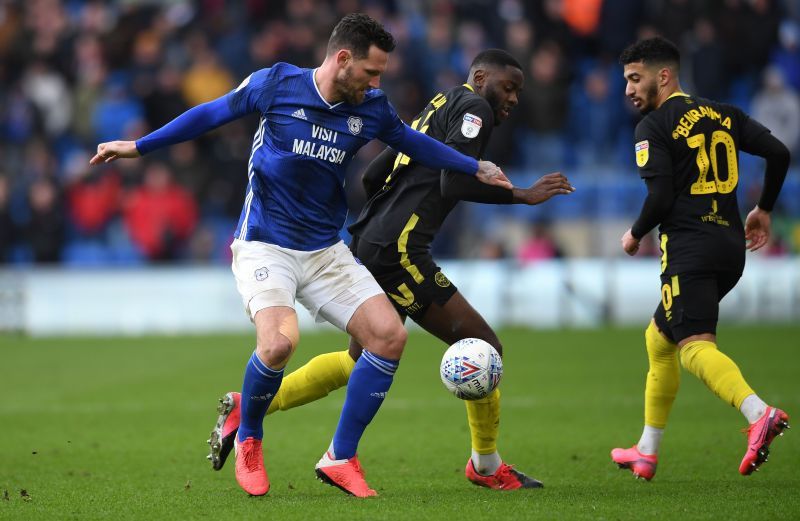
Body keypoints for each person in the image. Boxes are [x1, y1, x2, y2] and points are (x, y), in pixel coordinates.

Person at [90, 13, 513, 498]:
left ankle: (341, 457)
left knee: (388, 337)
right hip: (264, 243)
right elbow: (211, 112)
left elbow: (413, 143)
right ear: (342, 59)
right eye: (371, 72)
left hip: (325, 249)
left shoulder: (371, 108)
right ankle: (249, 436)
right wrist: (139, 147)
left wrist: (472, 165)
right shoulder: (276, 83)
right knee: (277, 345)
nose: (377, 83)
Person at [208, 49, 574, 491]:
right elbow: (454, 182)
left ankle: (246, 407)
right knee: (484, 347)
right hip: (401, 251)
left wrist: (389, 218)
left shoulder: (440, 103)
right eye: (509, 87)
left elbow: (375, 173)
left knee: (361, 358)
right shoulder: (476, 109)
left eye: (518, 91)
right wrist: (522, 195)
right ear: (480, 77)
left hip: (372, 241)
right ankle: (485, 464)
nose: (513, 98)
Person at [611, 37, 790, 481]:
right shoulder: (723, 114)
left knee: (693, 348)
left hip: (689, 249)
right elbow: (779, 153)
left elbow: (660, 196)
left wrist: (634, 235)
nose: (630, 90)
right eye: (627, 81)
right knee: (659, 339)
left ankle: (758, 413)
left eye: (636, 79)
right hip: (730, 247)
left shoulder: (652, 128)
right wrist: (763, 207)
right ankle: (647, 450)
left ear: (664, 76)